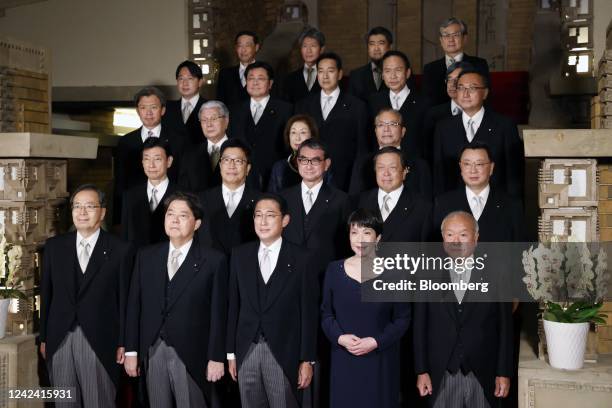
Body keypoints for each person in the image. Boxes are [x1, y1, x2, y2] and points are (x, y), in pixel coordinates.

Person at [124, 191, 228, 408]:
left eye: (182, 215)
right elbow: (134, 306)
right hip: (153, 350)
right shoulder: (146, 256)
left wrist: (216, 357)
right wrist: (132, 350)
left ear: (197, 223)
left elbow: (219, 314)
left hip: (192, 353)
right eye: (170, 214)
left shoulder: (213, 260)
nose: (174, 220)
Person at [40, 184, 135, 407]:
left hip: (101, 340)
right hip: (60, 339)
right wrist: (45, 337)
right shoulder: (54, 247)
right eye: (77, 206)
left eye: (90, 206)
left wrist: (124, 342)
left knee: (98, 401)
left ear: (102, 212)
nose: (82, 212)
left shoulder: (121, 249)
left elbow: (126, 301)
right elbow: (47, 295)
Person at [226, 194, 318, 408]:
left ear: (285, 220)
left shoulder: (302, 258)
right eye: (258, 216)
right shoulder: (240, 255)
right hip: (246, 350)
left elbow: (309, 311)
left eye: (270, 215)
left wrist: (307, 359)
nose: (263, 222)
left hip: (284, 352)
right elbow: (233, 306)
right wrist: (231, 353)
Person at [413, 211, 513, 408]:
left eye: (463, 235)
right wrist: (421, 370)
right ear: (443, 239)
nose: (456, 241)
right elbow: (419, 326)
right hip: (440, 373)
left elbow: (505, 328)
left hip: (484, 373)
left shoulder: (497, 272)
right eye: (450, 235)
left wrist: (503, 372)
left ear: (476, 238)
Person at [321, 208, 410, 408]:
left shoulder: (395, 274)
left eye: (367, 232)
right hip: (344, 358)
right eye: (354, 232)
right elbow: (326, 314)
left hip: (380, 359)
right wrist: (340, 338)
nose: (360, 239)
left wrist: (376, 341)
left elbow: (402, 319)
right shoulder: (334, 270)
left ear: (378, 238)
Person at [433, 69, 523, 197]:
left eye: (472, 88)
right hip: (455, 206)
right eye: (461, 88)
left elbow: (513, 174)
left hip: (494, 204)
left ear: (485, 93)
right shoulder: (444, 127)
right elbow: (439, 175)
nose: (465, 94)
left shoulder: (504, 126)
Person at [295, 52, 370, 191]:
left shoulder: (357, 106)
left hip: (344, 177)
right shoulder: (303, 105)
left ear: (340, 74)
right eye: (321, 71)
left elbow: (362, 148)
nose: (325, 76)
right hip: (310, 175)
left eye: (330, 71)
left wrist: (357, 182)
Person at [280, 139, 351, 277]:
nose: (309, 166)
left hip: (325, 275)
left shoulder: (342, 200)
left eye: (316, 160)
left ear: (327, 164)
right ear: (298, 162)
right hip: (287, 275)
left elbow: (345, 245)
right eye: (304, 160)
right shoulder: (283, 198)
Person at [114, 86, 185, 224]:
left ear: (163, 110)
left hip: (171, 210)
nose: (148, 113)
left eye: (153, 107)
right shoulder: (126, 142)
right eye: (143, 108)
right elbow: (120, 182)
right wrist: (118, 220)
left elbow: (183, 177)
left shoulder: (178, 141)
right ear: (137, 111)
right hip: (136, 210)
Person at [433, 143, 524, 242]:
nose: (473, 170)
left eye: (479, 164)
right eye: (467, 164)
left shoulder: (512, 205)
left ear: (491, 167)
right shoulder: (443, 203)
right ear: (460, 167)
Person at [227, 61, 293, 191]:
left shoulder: (286, 109)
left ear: (270, 83)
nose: (255, 83)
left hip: (274, 177)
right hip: (241, 177)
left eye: (261, 79)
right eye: (251, 78)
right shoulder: (234, 110)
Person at [349, 108, 432, 200]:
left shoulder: (420, 165)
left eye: (393, 124)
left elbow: (426, 204)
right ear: (375, 131)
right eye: (381, 125)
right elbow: (354, 200)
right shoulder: (361, 163)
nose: (386, 129)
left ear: (403, 131)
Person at [198, 138, 260, 256]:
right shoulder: (201, 199)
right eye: (226, 160)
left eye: (238, 161)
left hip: (245, 269)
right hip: (210, 269)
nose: (231, 165)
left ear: (248, 168)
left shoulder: (260, 201)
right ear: (220, 165)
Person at [358, 146, 432, 242]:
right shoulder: (359, 202)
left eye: (392, 168)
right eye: (381, 168)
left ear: (404, 172)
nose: (386, 173)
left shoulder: (423, 207)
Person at [121, 137, 179, 248]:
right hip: (138, 262)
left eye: (157, 159)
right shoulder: (130, 196)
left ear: (169, 161)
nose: (151, 165)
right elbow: (125, 238)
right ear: (142, 162)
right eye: (147, 159)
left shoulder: (183, 196)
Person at [368, 50, 427, 156]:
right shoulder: (373, 102)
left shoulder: (425, 103)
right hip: (382, 167)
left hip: (414, 166)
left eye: (398, 70)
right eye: (387, 71)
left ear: (407, 73)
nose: (393, 76)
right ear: (382, 75)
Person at [422, 17, 489, 106]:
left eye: (456, 35)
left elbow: (485, 97)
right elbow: (427, 101)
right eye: (446, 35)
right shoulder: (430, 68)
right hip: (439, 117)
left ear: (464, 38)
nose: (451, 39)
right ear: (441, 40)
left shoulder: (479, 64)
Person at [422, 61, 473, 162]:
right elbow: (427, 152)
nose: (452, 85)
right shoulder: (433, 114)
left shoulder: (479, 112)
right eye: (449, 80)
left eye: (458, 80)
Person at [179, 100, 229, 192]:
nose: (209, 124)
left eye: (213, 119)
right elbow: (184, 191)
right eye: (204, 120)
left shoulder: (240, 150)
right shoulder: (190, 155)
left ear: (226, 121)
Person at [162, 60, 207, 146]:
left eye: (190, 78)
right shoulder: (167, 108)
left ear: (200, 82)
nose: (185, 83)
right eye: (181, 79)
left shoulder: (210, 107)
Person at [281, 28, 324, 103]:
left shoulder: (328, 76)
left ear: (321, 49)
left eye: (313, 46)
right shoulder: (290, 79)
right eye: (305, 46)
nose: (308, 51)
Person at [348, 26, 392, 101]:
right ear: (368, 48)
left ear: (390, 47)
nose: (376, 48)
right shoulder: (355, 75)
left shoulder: (401, 73)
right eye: (372, 44)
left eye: (381, 43)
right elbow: (351, 106)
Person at [216, 31, 260, 106]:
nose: (243, 50)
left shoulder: (266, 73)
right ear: (236, 48)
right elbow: (220, 104)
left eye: (247, 45)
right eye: (240, 46)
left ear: (256, 47)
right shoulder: (225, 74)